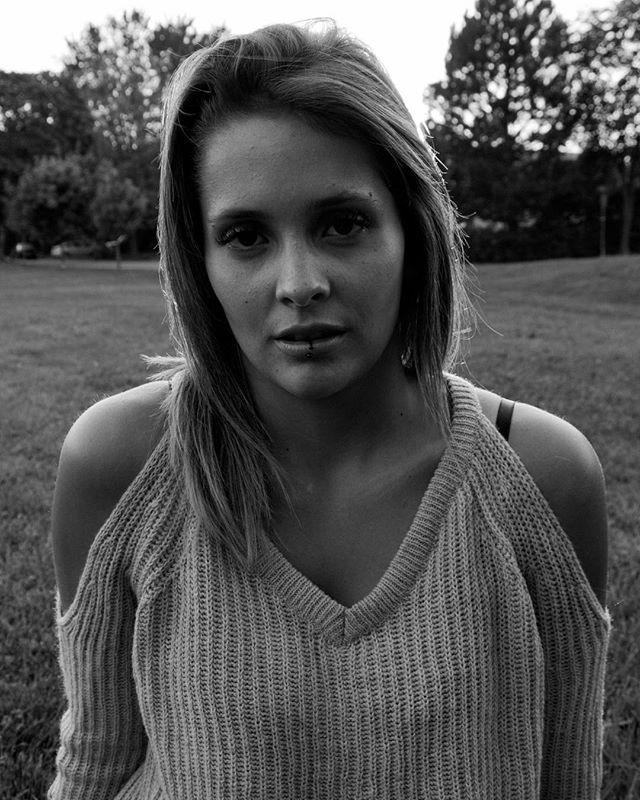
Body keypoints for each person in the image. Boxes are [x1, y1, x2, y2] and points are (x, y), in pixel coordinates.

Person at [48, 21, 610, 800]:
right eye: (245, 235)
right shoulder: (118, 465)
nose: (299, 281)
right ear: (198, 260)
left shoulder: (544, 478)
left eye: (341, 223)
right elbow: (95, 768)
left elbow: (567, 779)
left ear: (411, 228)